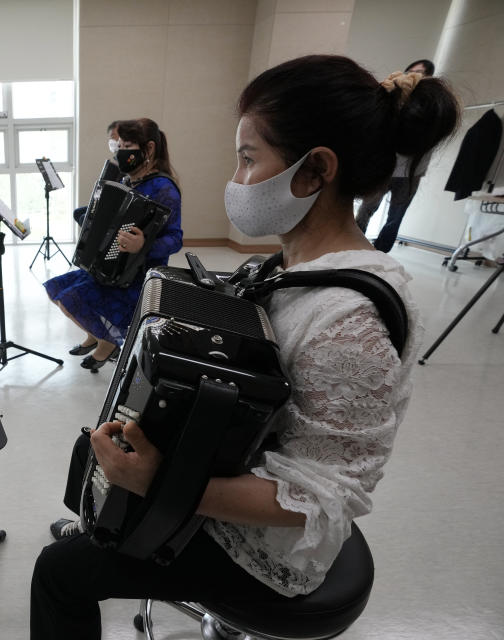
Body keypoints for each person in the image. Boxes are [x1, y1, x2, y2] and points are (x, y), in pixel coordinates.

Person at [31, 55, 459, 639]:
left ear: (314, 172)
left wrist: (160, 484)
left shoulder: (350, 319)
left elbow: (319, 499)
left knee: (59, 573)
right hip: (222, 483)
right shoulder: (292, 265)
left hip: (268, 549)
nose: (235, 178)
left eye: (248, 158)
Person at [45, 118, 183, 372]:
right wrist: (89, 215)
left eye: (127, 145)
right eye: (117, 145)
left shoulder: (164, 188)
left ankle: (107, 342)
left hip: (136, 275)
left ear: (149, 149)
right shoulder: (129, 179)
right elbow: (115, 214)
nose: (120, 152)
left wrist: (143, 244)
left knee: (69, 300)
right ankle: (95, 336)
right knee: (55, 290)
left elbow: (176, 238)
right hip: (110, 263)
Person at [355, 58, 437, 252]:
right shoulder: (390, 96)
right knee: (365, 210)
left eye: (422, 73)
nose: (415, 76)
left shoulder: (432, 105)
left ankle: (382, 252)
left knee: (396, 216)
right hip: (385, 167)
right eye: (412, 71)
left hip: (412, 173)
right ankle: (355, 247)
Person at [73, 121, 122, 225]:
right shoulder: (116, 158)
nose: (111, 140)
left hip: (115, 205)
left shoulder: (124, 159)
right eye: (110, 138)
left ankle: (93, 239)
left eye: (113, 136)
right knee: (77, 213)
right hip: (107, 201)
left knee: (83, 218)